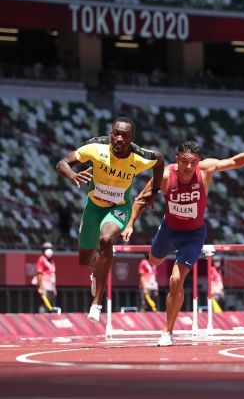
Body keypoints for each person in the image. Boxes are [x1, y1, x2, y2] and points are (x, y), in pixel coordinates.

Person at [121, 134, 244, 346]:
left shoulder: (206, 169)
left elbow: (235, 162)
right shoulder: (164, 176)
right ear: (177, 159)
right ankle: (160, 252)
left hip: (193, 235)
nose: (189, 167)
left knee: (176, 280)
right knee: (154, 261)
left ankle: (167, 331)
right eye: (184, 162)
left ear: (199, 161)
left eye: (193, 162)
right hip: (169, 230)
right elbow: (141, 200)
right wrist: (129, 224)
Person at [56, 117, 165, 323]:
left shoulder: (139, 157)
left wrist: (155, 191)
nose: (119, 139)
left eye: (125, 135)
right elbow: (62, 163)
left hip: (119, 207)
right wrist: (72, 175)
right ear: (111, 133)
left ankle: (97, 303)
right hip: (94, 207)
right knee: (84, 259)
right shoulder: (96, 148)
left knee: (106, 239)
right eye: (116, 133)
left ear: (132, 138)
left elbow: (159, 159)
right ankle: (96, 271)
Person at [36, 242, 57, 313]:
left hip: (50, 286)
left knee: (49, 304)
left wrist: (54, 288)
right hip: (44, 286)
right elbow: (39, 274)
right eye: (47, 249)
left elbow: (53, 275)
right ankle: (42, 318)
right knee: (44, 303)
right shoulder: (41, 259)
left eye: (50, 248)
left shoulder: (52, 262)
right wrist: (40, 287)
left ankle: (47, 318)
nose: (49, 250)